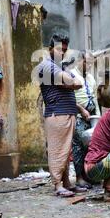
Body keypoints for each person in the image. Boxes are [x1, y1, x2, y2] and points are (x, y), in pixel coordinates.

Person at [37, 34, 83, 198]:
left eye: (64, 50)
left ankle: (67, 183)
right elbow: (74, 82)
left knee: (65, 151)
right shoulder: (47, 65)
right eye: (58, 49)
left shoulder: (59, 66)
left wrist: (68, 81)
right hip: (57, 114)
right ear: (50, 49)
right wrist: (69, 82)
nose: (61, 53)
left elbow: (78, 82)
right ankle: (57, 185)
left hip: (67, 113)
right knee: (58, 150)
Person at [70, 50, 100, 189]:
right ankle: (79, 178)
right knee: (78, 147)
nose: (89, 66)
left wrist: (98, 117)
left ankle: (90, 176)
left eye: (91, 64)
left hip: (92, 116)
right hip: (78, 116)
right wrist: (81, 110)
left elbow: (94, 99)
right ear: (79, 61)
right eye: (87, 63)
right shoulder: (71, 76)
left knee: (91, 147)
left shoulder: (90, 78)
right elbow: (69, 99)